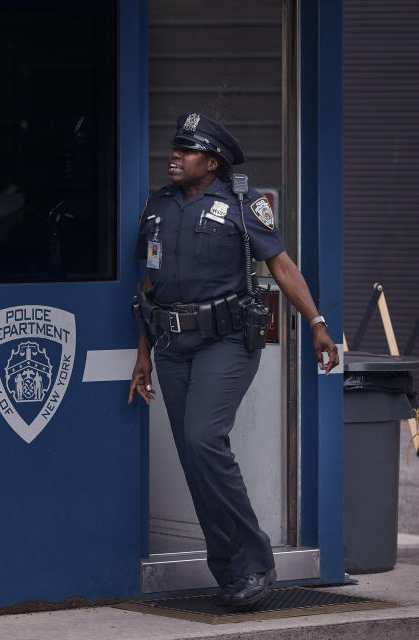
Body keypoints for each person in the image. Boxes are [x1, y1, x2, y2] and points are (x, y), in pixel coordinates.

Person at [128, 112, 338, 609]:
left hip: (225, 343)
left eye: (188, 149)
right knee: (194, 458)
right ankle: (230, 571)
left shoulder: (245, 205)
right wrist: (144, 354)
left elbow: (282, 267)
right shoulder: (157, 206)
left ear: (214, 161)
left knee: (204, 439)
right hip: (171, 345)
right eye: (174, 147)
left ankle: (252, 561)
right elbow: (148, 286)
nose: (175, 156)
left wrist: (316, 323)